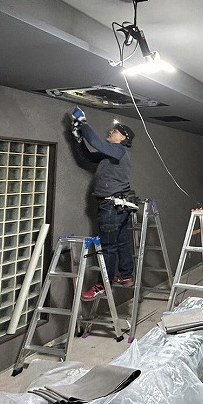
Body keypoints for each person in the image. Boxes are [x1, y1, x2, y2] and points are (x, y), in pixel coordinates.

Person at [71, 112, 136, 301]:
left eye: (115, 131)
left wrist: (83, 123)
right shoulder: (112, 155)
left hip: (111, 206)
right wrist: (78, 139)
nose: (110, 132)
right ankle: (126, 275)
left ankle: (103, 285)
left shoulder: (119, 150)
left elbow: (96, 142)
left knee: (108, 247)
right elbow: (87, 157)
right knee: (121, 243)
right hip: (118, 206)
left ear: (123, 138)